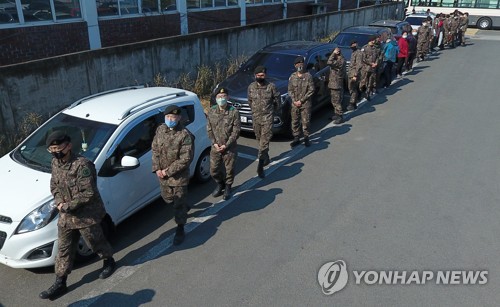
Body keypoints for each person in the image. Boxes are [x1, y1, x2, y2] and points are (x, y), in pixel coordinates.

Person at [40, 131, 115, 300]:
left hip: (85, 215)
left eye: (58, 148)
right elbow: (54, 185)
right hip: (66, 216)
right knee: (64, 249)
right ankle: (60, 282)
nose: (55, 152)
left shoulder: (82, 165)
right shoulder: (55, 163)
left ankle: (108, 261)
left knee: (95, 242)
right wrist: (59, 201)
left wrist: (66, 206)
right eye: (52, 149)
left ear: (68, 146)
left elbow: (88, 193)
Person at [152, 105, 194, 245]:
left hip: (178, 177)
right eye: (168, 117)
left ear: (179, 118)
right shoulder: (160, 129)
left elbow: (185, 159)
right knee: (168, 198)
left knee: (178, 205)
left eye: (174, 117)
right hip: (162, 175)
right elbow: (155, 149)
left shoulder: (184, 135)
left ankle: (180, 228)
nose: (171, 119)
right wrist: (157, 168)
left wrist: (167, 171)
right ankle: (183, 204)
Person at [207, 87, 241, 200]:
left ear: (228, 97)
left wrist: (226, 145)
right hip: (215, 147)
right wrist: (214, 143)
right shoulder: (211, 110)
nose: (221, 99)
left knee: (229, 170)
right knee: (213, 170)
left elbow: (236, 131)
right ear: (216, 98)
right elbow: (209, 129)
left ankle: (228, 187)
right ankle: (220, 183)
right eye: (219, 97)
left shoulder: (233, 112)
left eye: (223, 97)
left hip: (229, 148)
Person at [247, 65, 280, 178]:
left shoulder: (271, 87)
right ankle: (265, 155)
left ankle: (260, 167)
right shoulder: (251, 87)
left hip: (267, 118)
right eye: (258, 75)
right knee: (259, 138)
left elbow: (277, 101)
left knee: (264, 142)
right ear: (255, 76)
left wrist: (271, 112)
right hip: (256, 118)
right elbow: (250, 101)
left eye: (262, 75)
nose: (260, 77)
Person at [288, 56, 315, 147]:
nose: (300, 65)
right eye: (297, 64)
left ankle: (306, 137)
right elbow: (290, 90)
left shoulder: (308, 76)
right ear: (295, 65)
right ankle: (296, 137)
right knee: (295, 121)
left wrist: (301, 100)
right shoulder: (292, 77)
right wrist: (295, 100)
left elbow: (311, 90)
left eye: (301, 64)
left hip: (305, 104)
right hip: (295, 104)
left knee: (305, 121)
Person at [327, 47, 346, 124]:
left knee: (337, 101)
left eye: (334, 53)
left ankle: (340, 116)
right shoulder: (338, 60)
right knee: (334, 100)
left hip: (337, 84)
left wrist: (334, 53)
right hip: (333, 83)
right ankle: (336, 114)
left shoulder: (340, 60)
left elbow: (329, 62)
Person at [361, 35, 380, 101]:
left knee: (370, 81)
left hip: (373, 68)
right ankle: (362, 92)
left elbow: (377, 57)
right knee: (364, 81)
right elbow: (363, 58)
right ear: (371, 40)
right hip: (366, 68)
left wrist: (376, 63)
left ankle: (367, 93)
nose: (374, 41)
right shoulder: (365, 48)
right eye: (373, 40)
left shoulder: (375, 48)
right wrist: (370, 63)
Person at [347, 40, 363, 111]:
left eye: (353, 45)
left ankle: (352, 103)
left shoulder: (358, 53)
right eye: (351, 45)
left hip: (354, 74)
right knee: (351, 88)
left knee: (353, 88)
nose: (352, 46)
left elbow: (359, 65)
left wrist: (355, 75)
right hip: (350, 73)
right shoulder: (353, 53)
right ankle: (354, 102)